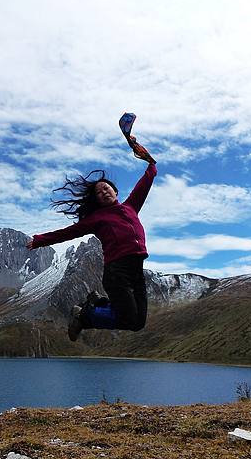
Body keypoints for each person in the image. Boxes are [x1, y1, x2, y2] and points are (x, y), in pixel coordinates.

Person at [26, 113, 156, 341]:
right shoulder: (96, 219)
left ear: (116, 192)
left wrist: (147, 160)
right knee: (127, 319)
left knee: (137, 323)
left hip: (136, 268)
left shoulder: (131, 206)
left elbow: (147, 179)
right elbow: (67, 233)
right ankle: (86, 316)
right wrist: (39, 240)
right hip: (117, 271)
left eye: (107, 188)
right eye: (99, 192)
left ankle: (96, 304)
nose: (104, 191)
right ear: (97, 200)